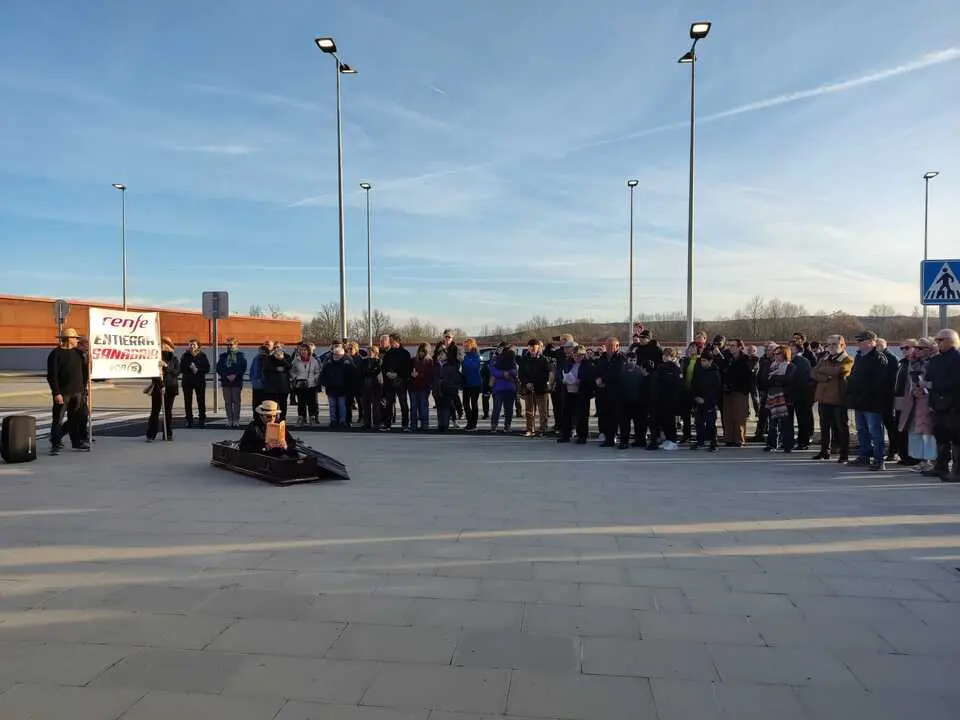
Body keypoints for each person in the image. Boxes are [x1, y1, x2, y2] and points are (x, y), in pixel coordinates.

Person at [846, 330, 891, 470]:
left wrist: (865, 393)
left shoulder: (878, 358)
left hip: (873, 402)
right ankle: (864, 456)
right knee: (862, 430)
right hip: (859, 401)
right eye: (858, 341)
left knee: (875, 431)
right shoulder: (859, 357)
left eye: (862, 341)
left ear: (872, 342)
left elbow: (880, 382)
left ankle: (878, 459)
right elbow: (853, 377)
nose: (858, 344)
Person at [897, 338, 938, 474]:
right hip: (915, 402)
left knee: (928, 433)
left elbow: (938, 382)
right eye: (917, 348)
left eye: (921, 348)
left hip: (929, 402)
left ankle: (931, 461)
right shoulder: (913, 363)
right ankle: (922, 460)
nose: (918, 350)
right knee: (916, 431)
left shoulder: (934, 362)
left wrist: (925, 387)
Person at [810, 335, 853, 462]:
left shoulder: (847, 359)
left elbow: (840, 371)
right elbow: (813, 373)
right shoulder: (825, 358)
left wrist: (823, 370)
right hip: (823, 398)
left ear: (842, 345)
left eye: (834, 344)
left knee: (841, 427)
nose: (831, 347)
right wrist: (825, 377)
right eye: (829, 344)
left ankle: (843, 454)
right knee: (824, 426)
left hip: (838, 399)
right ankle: (824, 451)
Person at [46, 327, 89, 455]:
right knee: (58, 419)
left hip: (78, 392)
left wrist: (84, 389)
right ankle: (55, 444)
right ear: (68, 339)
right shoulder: (55, 354)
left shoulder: (78, 354)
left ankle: (76, 442)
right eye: (75, 338)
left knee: (75, 419)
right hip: (63, 393)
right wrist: (56, 393)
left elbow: (84, 373)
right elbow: (52, 376)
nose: (77, 341)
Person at [926, 329, 960, 482]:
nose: (937, 343)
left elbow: (955, 382)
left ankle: (957, 471)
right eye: (936, 340)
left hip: (954, 405)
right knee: (941, 436)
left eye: (940, 340)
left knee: (956, 439)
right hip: (938, 404)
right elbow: (929, 377)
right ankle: (941, 466)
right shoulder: (936, 360)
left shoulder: (957, 358)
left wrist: (934, 384)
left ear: (950, 341)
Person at [648, 347, 683, 451]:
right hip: (661, 398)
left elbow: (677, 385)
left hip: (671, 399)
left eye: (667, 355)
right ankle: (668, 439)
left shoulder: (675, 369)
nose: (664, 357)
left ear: (673, 357)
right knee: (664, 420)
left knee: (670, 421)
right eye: (664, 355)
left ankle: (673, 441)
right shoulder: (661, 367)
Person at [720, 339, 752, 447]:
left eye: (733, 345)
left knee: (739, 416)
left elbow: (748, 377)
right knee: (728, 416)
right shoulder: (727, 358)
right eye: (730, 345)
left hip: (740, 391)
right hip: (728, 391)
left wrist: (740, 387)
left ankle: (739, 439)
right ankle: (729, 438)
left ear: (739, 347)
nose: (731, 347)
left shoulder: (745, 359)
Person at [146, 337, 179, 442]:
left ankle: (168, 434)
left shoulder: (174, 358)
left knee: (168, 412)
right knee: (155, 412)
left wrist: (166, 366)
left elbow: (177, 372)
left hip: (171, 387)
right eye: (162, 344)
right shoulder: (156, 357)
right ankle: (151, 435)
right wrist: (161, 385)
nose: (164, 346)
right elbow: (154, 374)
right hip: (159, 388)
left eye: (166, 344)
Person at [594, 338, 625, 447]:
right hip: (603, 392)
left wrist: (603, 379)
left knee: (619, 417)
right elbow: (597, 370)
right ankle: (609, 439)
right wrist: (597, 378)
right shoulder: (602, 358)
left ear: (617, 346)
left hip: (616, 392)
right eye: (607, 346)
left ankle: (623, 440)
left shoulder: (621, 358)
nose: (608, 348)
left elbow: (618, 373)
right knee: (607, 417)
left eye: (611, 346)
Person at [690, 347, 722, 451]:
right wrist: (695, 397)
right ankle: (700, 442)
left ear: (710, 361)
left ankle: (714, 443)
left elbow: (716, 390)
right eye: (701, 360)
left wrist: (706, 400)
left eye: (705, 361)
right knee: (698, 423)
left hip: (709, 402)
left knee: (710, 424)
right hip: (698, 401)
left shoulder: (715, 373)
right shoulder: (698, 370)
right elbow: (694, 384)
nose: (702, 363)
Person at [764, 345, 795, 453]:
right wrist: (775, 379)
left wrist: (774, 379)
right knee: (772, 422)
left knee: (786, 423)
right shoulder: (772, 365)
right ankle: (771, 443)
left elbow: (788, 380)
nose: (775, 356)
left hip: (785, 397)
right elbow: (766, 380)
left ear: (785, 354)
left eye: (778, 353)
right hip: (772, 396)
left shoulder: (790, 366)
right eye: (774, 353)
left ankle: (787, 444)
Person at [558, 345, 590, 444]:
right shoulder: (568, 363)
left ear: (584, 355)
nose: (577, 358)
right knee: (566, 414)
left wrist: (579, 381)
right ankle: (566, 435)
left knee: (582, 416)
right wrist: (563, 379)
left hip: (581, 393)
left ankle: (582, 436)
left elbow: (589, 377)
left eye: (580, 355)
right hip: (568, 391)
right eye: (575, 355)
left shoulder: (587, 365)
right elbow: (560, 373)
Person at [519, 338, 551, 437]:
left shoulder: (544, 359)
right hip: (528, 389)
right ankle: (530, 429)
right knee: (529, 411)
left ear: (538, 347)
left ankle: (543, 429)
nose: (532, 349)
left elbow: (545, 375)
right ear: (528, 348)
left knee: (543, 412)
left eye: (534, 347)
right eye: (530, 347)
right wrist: (527, 383)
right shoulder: (524, 359)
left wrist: (535, 383)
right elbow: (521, 374)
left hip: (541, 388)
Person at [382, 333, 413, 431]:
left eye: (392, 340)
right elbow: (384, 366)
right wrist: (387, 373)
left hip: (401, 382)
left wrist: (398, 374)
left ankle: (405, 425)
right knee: (389, 404)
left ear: (397, 341)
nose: (390, 342)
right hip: (389, 382)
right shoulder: (389, 353)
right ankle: (387, 425)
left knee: (403, 403)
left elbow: (408, 368)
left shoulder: (405, 353)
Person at [788, 340, 814, 450]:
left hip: (802, 395)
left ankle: (803, 442)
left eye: (791, 347)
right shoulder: (791, 360)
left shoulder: (802, 361)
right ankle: (792, 441)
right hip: (793, 394)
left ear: (797, 349)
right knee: (791, 419)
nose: (789, 349)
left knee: (803, 419)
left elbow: (801, 379)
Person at [179, 339, 211, 428]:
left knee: (201, 401)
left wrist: (197, 369)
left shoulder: (202, 355)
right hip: (187, 381)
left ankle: (202, 419)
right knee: (187, 401)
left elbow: (207, 368)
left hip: (199, 381)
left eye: (193, 345)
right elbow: (181, 368)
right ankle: (189, 420)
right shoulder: (185, 356)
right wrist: (190, 368)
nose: (191, 346)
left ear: (198, 346)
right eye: (190, 345)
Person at [217, 337, 247, 428]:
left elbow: (243, 367)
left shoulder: (241, 356)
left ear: (236, 345)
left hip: (236, 381)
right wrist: (226, 375)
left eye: (231, 344)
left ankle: (236, 420)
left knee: (236, 401)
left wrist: (235, 375)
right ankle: (229, 419)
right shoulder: (223, 356)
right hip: (226, 381)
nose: (229, 346)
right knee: (228, 402)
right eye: (228, 345)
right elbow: (219, 368)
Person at [322, 342, 354, 427]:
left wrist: (347, 386)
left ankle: (342, 421)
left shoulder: (347, 362)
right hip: (331, 388)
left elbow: (351, 376)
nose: (336, 356)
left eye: (338, 355)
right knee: (332, 406)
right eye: (335, 354)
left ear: (342, 355)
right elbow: (323, 374)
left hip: (342, 388)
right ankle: (333, 421)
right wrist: (325, 384)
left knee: (342, 406)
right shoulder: (329, 362)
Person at [290, 343, 321, 425]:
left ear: (308, 351)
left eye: (305, 350)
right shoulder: (296, 361)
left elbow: (318, 372)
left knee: (312, 402)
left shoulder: (314, 360)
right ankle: (301, 417)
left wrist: (314, 379)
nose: (303, 351)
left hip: (311, 384)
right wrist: (295, 377)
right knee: (301, 402)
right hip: (300, 383)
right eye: (302, 350)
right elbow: (292, 372)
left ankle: (312, 417)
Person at [489, 346, 519, 432]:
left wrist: (502, 374)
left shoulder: (497, 361)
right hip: (510, 388)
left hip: (499, 388)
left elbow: (493, 371)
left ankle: (494, 425)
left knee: (497, 408)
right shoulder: (512, 362)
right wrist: (506, 373)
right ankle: (507, 426)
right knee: (508, 409)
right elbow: (515, 372)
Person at [619, 353, 645, 449]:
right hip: (625, 401)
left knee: (639, 423)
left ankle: (640, 440)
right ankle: (624, 441)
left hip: (637, 401)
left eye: (634, 360)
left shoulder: (640, 371)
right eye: (631, 360)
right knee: (624, 424)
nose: (632, 362)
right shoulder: (622, 370)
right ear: (627, 360)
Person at [436, 345, 464, 432]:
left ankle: (453, 421)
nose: (440, 356)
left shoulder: (450, 365)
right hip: (438, 389)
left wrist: (451, 385)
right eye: (439, 354)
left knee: (451, 406)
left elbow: (455, 377)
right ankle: (441, 423)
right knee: (440, 407)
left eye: (442, 354)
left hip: (448, 389)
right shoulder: (436, 365)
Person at [261, 344, 292, 421]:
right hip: (272, 387)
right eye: (275, 347)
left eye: (278, 347)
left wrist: (282, 359)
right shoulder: (269, 358)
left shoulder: (287, 356)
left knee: (283, 405)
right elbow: (266, 368)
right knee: (272, 405)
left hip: (283, 387)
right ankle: (272, 419)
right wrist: (277, 368)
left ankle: (282, 419)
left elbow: (289, 367)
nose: (277, 349)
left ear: (281, 348)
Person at [408, 343, 433, 431]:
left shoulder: (429, 361)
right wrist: (411, 375)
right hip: (413, 387)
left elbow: (429, 374)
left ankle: (425, 425)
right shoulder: (413, 360)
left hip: (424, 388)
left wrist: (419, 375)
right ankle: (413, 425)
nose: (421, 353)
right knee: (413, 407)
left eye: (423, 351)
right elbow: (408, 371)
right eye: (420, 351)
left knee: (423, 407)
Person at [360, 345, 384, 430]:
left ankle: (376, 423)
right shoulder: (364, 361)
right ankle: (367, 423)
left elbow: (376, 371)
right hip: (366, 385)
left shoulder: (379, 361)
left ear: (376, 352)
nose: (370, 353)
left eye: (372, 351)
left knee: (376, 405)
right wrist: (368, 372)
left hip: (376, 385)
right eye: (368, 351)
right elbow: (362, 371)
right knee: (366, 405)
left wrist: (369, 372)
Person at [461, 339, 483, 431]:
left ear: (472, 346)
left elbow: (473, 367)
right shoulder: (465, 356)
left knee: (474, 404)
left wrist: (463, 361)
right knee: (465, 404)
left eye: (467, 346)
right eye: (464, 346)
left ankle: (473, 424)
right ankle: (469, 422)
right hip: (466, 384)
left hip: (475, 384)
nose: (465, 348)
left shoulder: (476, 356)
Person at [248, 343, 270, 415]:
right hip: (256, 386)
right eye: (260, 351)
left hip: (265, 387)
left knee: (264, 405)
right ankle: (256, 421)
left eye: (262, 351)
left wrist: (262, 380)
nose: (261, 353)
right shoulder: (256, 359)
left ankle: (264, 421)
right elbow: (252, 370)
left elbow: (267, 372)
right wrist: (253, 380)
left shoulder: (268, 359)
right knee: (256, 405)